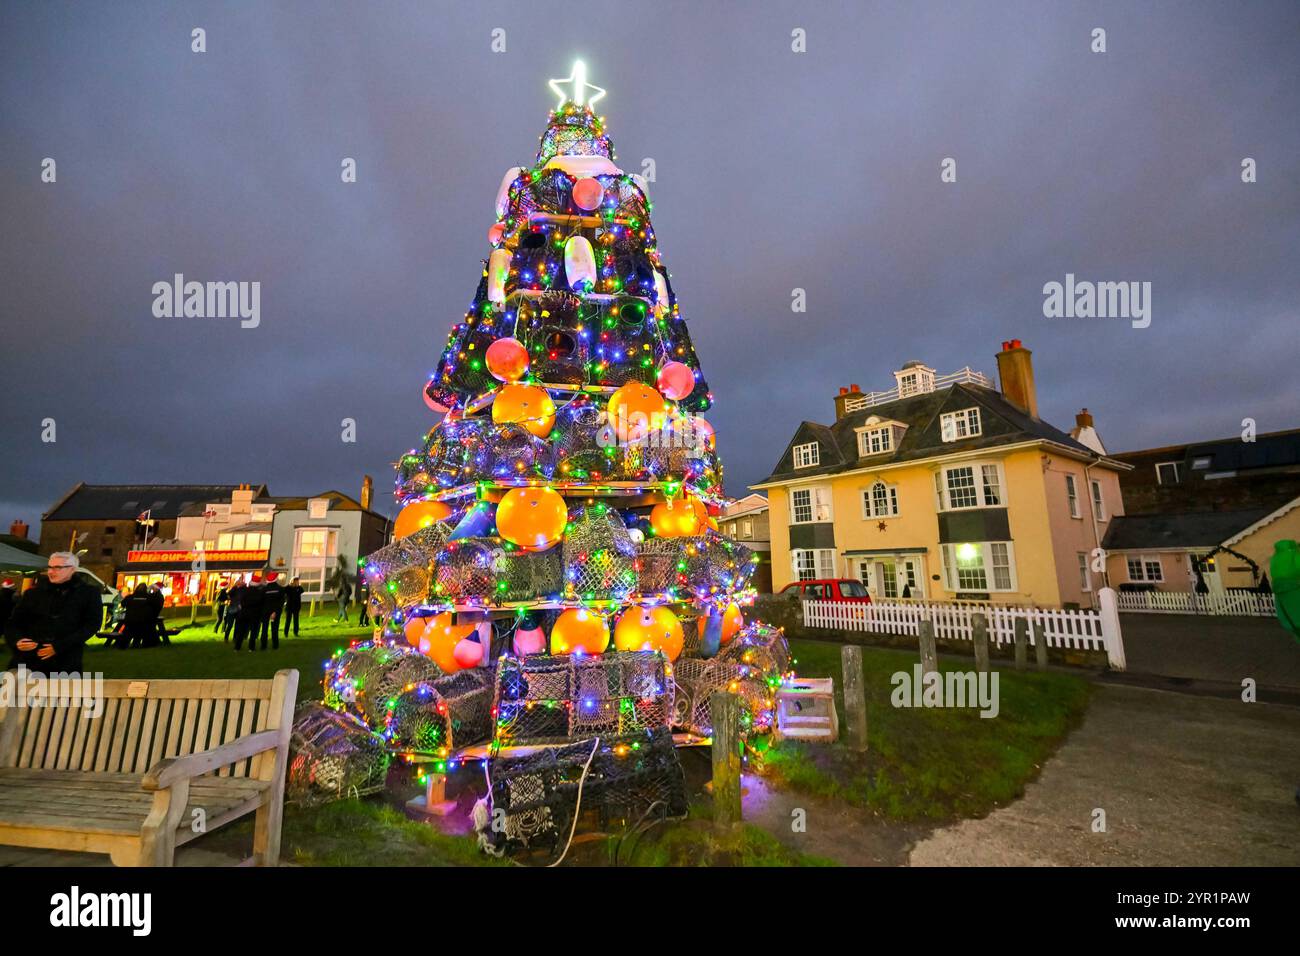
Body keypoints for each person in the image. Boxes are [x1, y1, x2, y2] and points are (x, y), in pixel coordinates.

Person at [4, 552, 102, 674]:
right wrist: (17, 640)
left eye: (58, 567)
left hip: (65, 662)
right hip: (27, 661)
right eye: (50, 567)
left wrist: (59, 647)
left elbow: (92, 624)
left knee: (61, 692)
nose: (51, 571)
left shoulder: (88, 593)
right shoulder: (33, 594)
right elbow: (13, 623)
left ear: (72, 569)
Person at [119, 583, 159, 649]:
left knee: (127, 633)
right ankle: (144, 644)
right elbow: (155, 606)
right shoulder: (149, 598)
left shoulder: (130, 597)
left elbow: (123, 604)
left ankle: (123, 645)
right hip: (144, 622)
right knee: (147, 630)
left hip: (130, 621)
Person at [233, 574, 265, 652]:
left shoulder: (244, 591)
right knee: (253, 632)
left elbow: (240, 601)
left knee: (241, 631)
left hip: (244, 614)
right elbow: (261, 604)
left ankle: (237, 647)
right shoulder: (260, 592)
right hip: (255, 615)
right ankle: (251, 648)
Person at [259, 572, 284, 650]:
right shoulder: (280, 589)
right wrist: (275, 612)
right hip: (276, 612)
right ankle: (275, 645)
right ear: (276, 579)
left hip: (265, 611)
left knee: (264, 628)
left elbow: (261, 601)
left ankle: (263, 646)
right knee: (275, 629)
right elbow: (281, 602)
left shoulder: (264, 589)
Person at [148, 582, 171, 646]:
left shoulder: (156, 596)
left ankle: (155, 641)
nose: (152, 589)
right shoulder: (159, 596)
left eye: (153, 588)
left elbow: (149, 599)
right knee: (152, 628)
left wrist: (149, 591)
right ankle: (157, 641)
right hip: (155, 614)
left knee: (151, 628)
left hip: (152, 615)